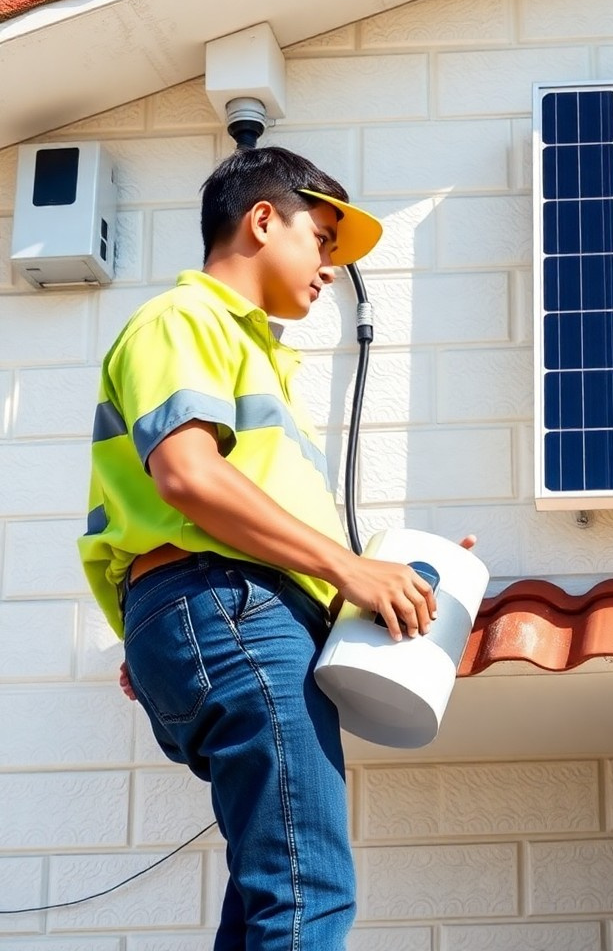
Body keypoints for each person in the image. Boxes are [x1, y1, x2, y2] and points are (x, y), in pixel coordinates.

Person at [79, 145, 473, 949]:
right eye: (322, 239)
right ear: (263, 219)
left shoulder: (255, 357)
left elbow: (188, 512)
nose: (330, 269)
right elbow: (188, 478)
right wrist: (345, 567)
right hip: (229, 609)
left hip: (215, 611)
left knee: (272, 893)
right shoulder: (185, 320)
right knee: (307, 892)